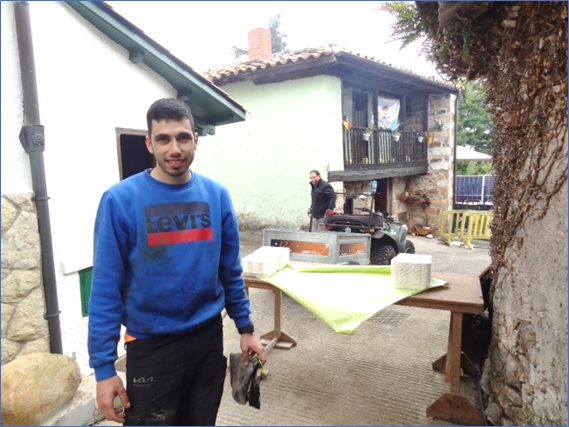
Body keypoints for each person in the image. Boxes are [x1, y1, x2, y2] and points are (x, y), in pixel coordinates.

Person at [88, 98, 266, 426]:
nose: (174, 148)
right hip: (151, 346)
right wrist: (103, 368)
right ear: (149, 143)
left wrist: (246, 329)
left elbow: (230, 271)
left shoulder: (216, 196)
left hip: (207, 340)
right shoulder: (119, 201)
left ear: (195, 140)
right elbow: (105, 289)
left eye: (183, 137)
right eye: (163, 139)